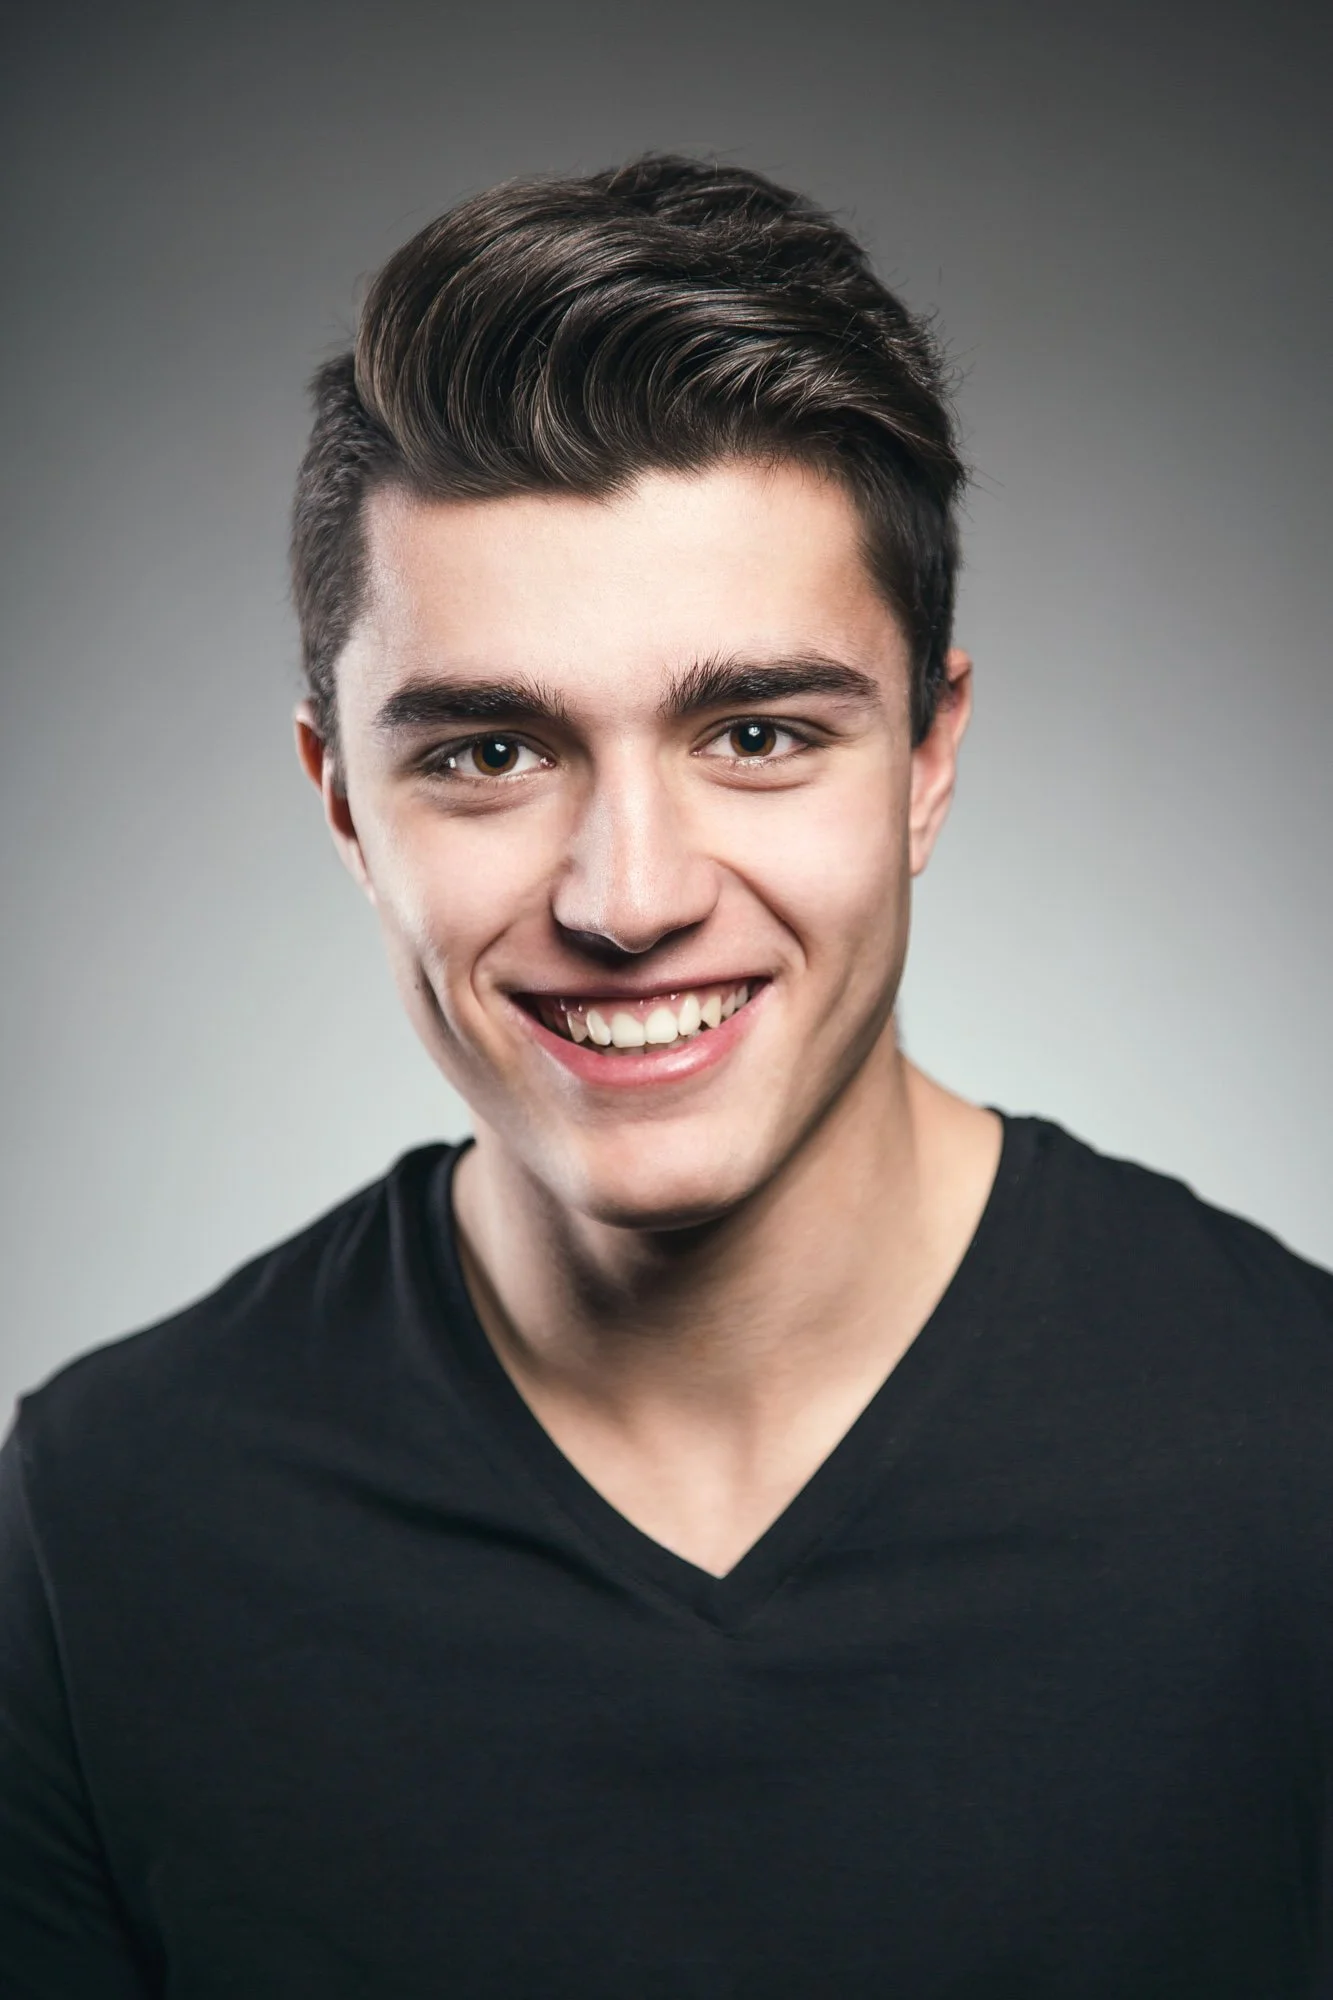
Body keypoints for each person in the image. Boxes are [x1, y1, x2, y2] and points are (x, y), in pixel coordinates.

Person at [2, 154, 1329, 1999]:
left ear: (929, 758)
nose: (630, 897)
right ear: (339, 805)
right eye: (486, 752)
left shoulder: (1304, 1461)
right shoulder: (106, 1521)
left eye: (759, 733)